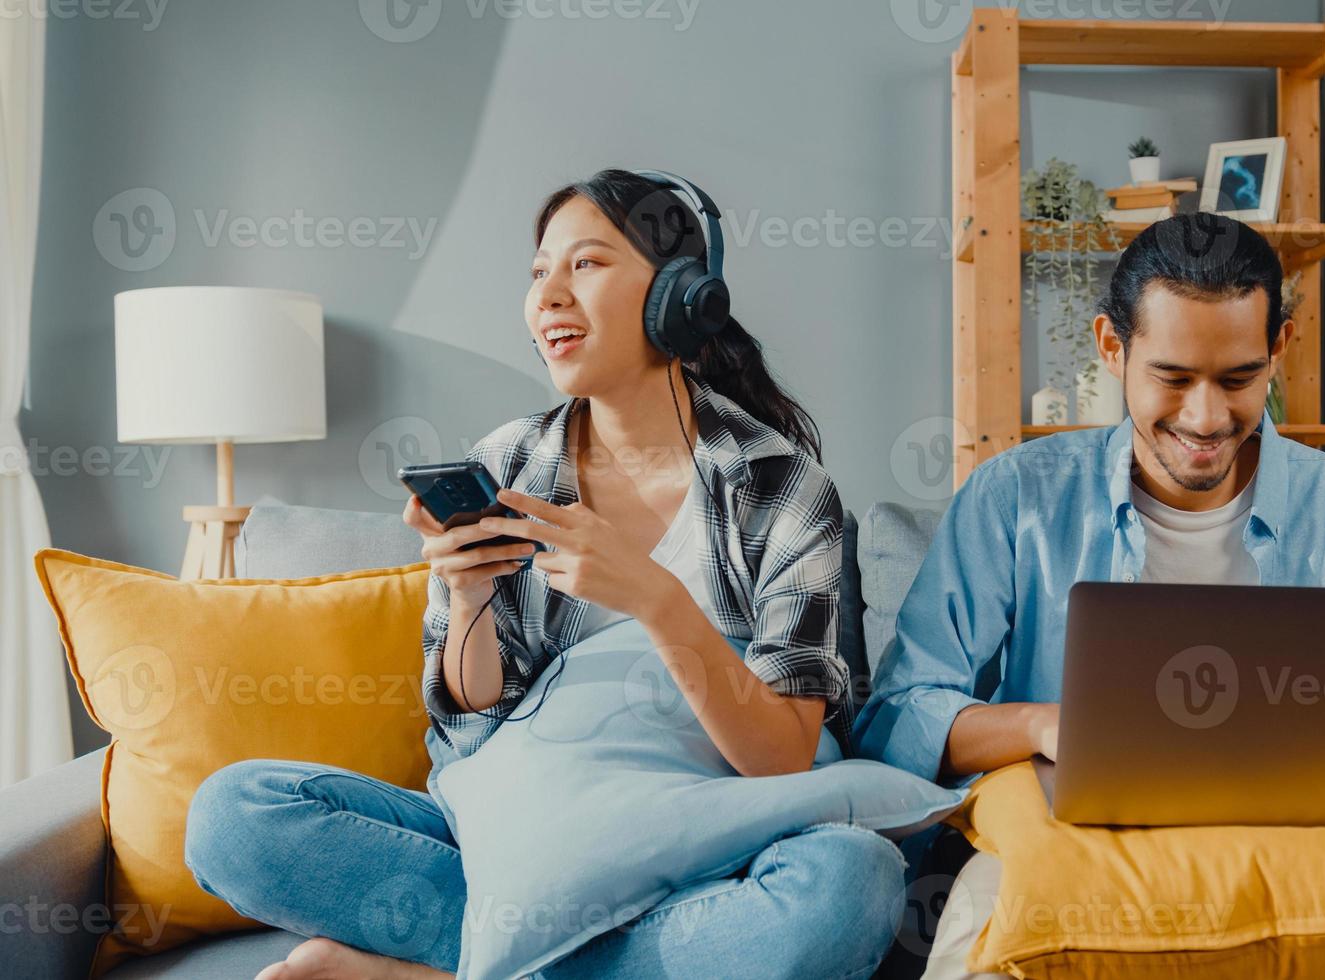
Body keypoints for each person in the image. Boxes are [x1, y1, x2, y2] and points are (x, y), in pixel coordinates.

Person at [184, 169, 904, 980]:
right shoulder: (509, 463)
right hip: (530, 838)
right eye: (539, 272)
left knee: (851, 882)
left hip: (712, 842)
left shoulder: (778, 484)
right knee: (234, 817)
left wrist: (653, 597)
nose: (549, 295)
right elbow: (474, 726)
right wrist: (467, 598)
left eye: (586, 265)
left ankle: (434, 970)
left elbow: (780, 757)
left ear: (680, 295)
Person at [851, 212, 1325, 979]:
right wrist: (1050, 725)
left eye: (1238, 380)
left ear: (1279, 349)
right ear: (1111, 347)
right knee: (994, 934)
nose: (1205, 418)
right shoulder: (1017, 498)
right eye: (1172, 378)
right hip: (1080, 846)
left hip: (1307, 845)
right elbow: (900, 715)